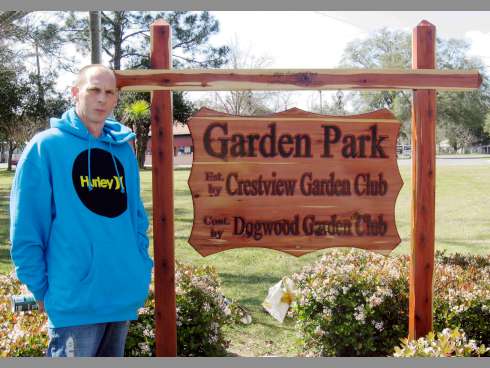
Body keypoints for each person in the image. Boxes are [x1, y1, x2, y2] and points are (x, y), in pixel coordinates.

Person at [9, 64, 153, 357]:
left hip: (119, 297)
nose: (102, 98)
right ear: (76, 93)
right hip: (73, 304)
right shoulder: (45, 147)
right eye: (94, 90)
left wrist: (138, 265)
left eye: (109, 92)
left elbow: (135, 218)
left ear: (115, 100)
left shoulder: (123, 150)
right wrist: (41, 289)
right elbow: (26, 230)